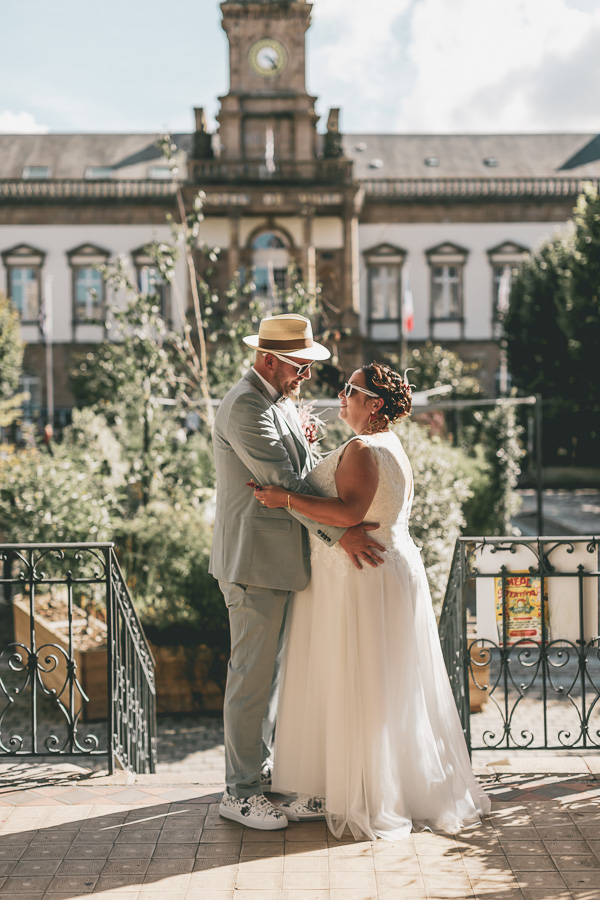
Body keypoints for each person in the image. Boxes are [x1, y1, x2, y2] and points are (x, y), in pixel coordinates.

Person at [253, 361, 491, 840]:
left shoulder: (364, 447)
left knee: (354, 676)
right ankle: (352, 784)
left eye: (349, 389)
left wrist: (286, 499)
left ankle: (356, 791)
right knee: (378, 684)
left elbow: (349, 512)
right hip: (382, 568)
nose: (340, 394)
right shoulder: (385, 444)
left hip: (359, 573)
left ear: (374, 403)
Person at [209, 314, 386, 831]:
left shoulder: (274, 402)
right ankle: (238, 793)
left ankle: (260, 778)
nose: (306, 375)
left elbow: (300, 472)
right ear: (269, 360)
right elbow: (284, 483)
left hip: (280, 562)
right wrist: (343, 533)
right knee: (251, 680)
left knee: (270, 678)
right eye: (299, 365)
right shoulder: (245, 406)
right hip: (254, 564)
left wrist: (307, 438)